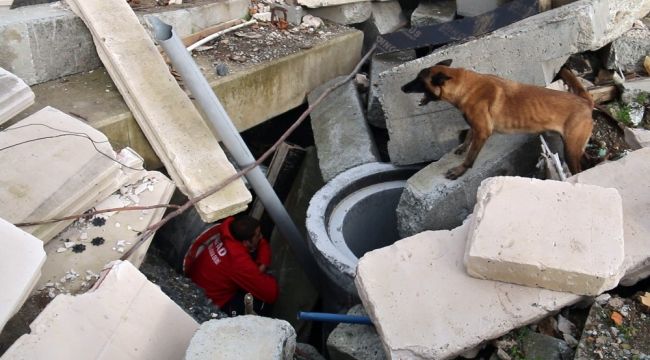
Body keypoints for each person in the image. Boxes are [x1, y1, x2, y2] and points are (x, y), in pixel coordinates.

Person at [186, 215, 278, 316]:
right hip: (208, 305)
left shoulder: (228, 232)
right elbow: (271, 293)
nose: (261, 236)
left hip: (194, 286)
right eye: (258, 235)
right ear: (246, 242)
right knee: (262, 302)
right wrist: (263, 266)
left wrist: (262, 258)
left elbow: (260, 242)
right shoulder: (238, 262)